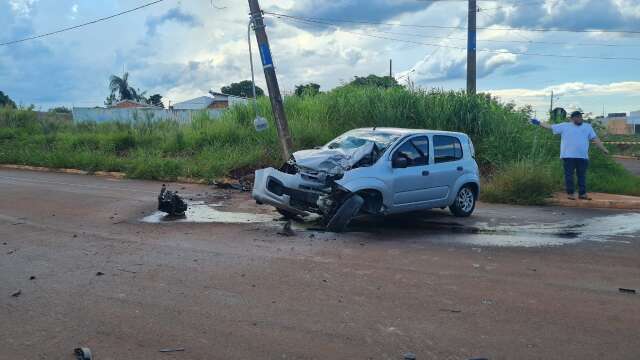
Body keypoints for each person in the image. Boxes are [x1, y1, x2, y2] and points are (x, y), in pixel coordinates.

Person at [531, 111, 609, 200]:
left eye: (580, 117)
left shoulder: (587, 127)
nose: (580, 118)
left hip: (582, 156)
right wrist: (538, 123)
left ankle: (582, 194)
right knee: (569, 175)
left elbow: (595, 139)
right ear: (572, 119)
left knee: (582, 175)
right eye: (577, 117)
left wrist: (604, 149)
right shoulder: (565, 126)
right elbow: (550, 127)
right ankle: (570, 193)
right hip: (568, 156)